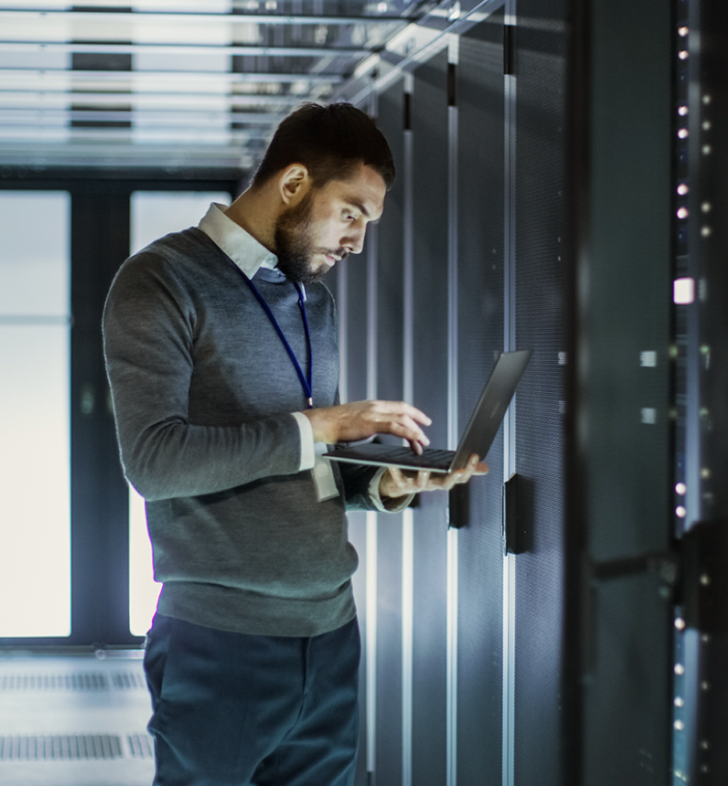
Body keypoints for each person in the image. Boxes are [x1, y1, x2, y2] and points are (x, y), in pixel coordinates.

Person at [103, 102, 486, 786]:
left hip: (332, 632)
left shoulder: (312, 300)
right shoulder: (160, 281)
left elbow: (308, 461)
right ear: (293, 184)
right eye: (351, 213)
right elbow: (154, 461)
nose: (357, 242)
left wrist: (381, 485)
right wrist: (323, 426)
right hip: (220, 641)